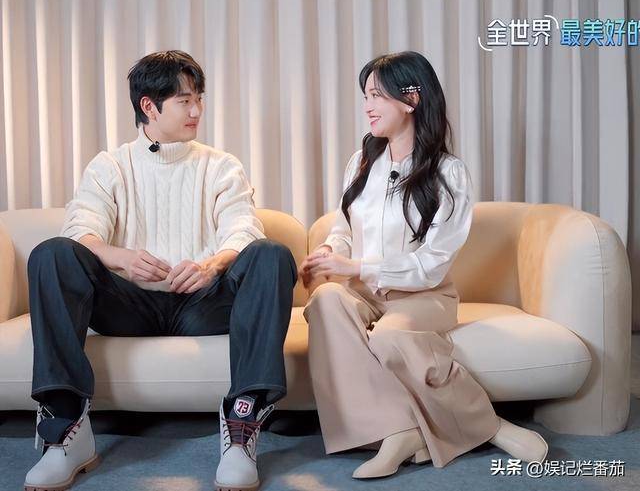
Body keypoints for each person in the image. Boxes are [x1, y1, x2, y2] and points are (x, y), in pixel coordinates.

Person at [24, 50, 297, 491]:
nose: (197, 111)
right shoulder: (110, 166)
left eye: (199, 99)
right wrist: (120, 257)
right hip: (128, 306)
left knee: (271, 253)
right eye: (184, 101)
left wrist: (212, 265)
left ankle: (241, 426)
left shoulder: (221, 165)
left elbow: (242, 229)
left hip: (203, 304)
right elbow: (80, 230)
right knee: (52, 253)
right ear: (149, 106)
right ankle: (66, 429)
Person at [299, 51, 548, 480]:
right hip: (364, 294)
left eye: (377, 95)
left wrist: (355, 268)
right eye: (365, 96)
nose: (367, 106)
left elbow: (431, 265)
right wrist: (329, 251)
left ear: (411, 99)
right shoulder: (361, 163)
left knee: (390, 338)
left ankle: (489, 426)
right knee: (324, 301)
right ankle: (398, 432)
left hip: (425, 295)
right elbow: (344, 227)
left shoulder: (449, 174)